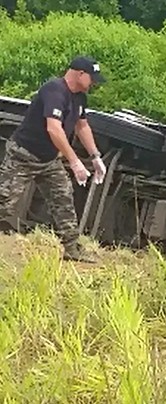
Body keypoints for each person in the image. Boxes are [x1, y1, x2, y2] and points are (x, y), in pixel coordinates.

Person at [0, 56, 108, 263]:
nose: (94, 83)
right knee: (4, 201)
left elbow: (82, 126)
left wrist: (95, 157)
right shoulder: (54, 90)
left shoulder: (80, 97)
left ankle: (72, 248)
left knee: (63, 199)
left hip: (48, 160)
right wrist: (75, 162)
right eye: (91, 78)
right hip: (23, 155)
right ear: (80, 74)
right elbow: (54, 129)